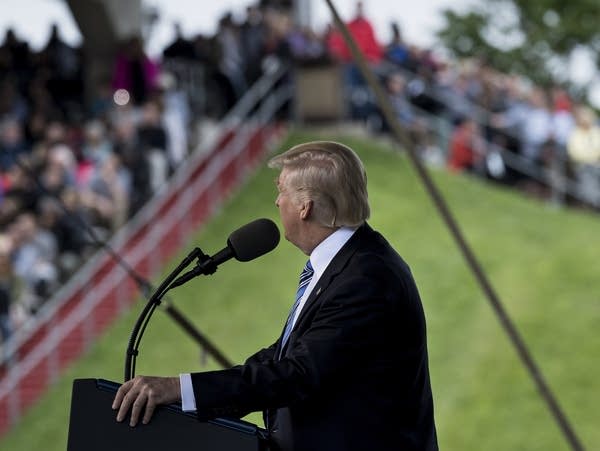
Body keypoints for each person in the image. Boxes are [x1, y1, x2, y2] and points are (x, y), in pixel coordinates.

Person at [113, 141, 438, 451]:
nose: (276, 202)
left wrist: (179, 389)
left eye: (281, 190)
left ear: (305, 206)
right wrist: (188, 396)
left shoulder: (367, 277)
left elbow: (298, 373)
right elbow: (287, 355)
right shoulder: (352, 260)